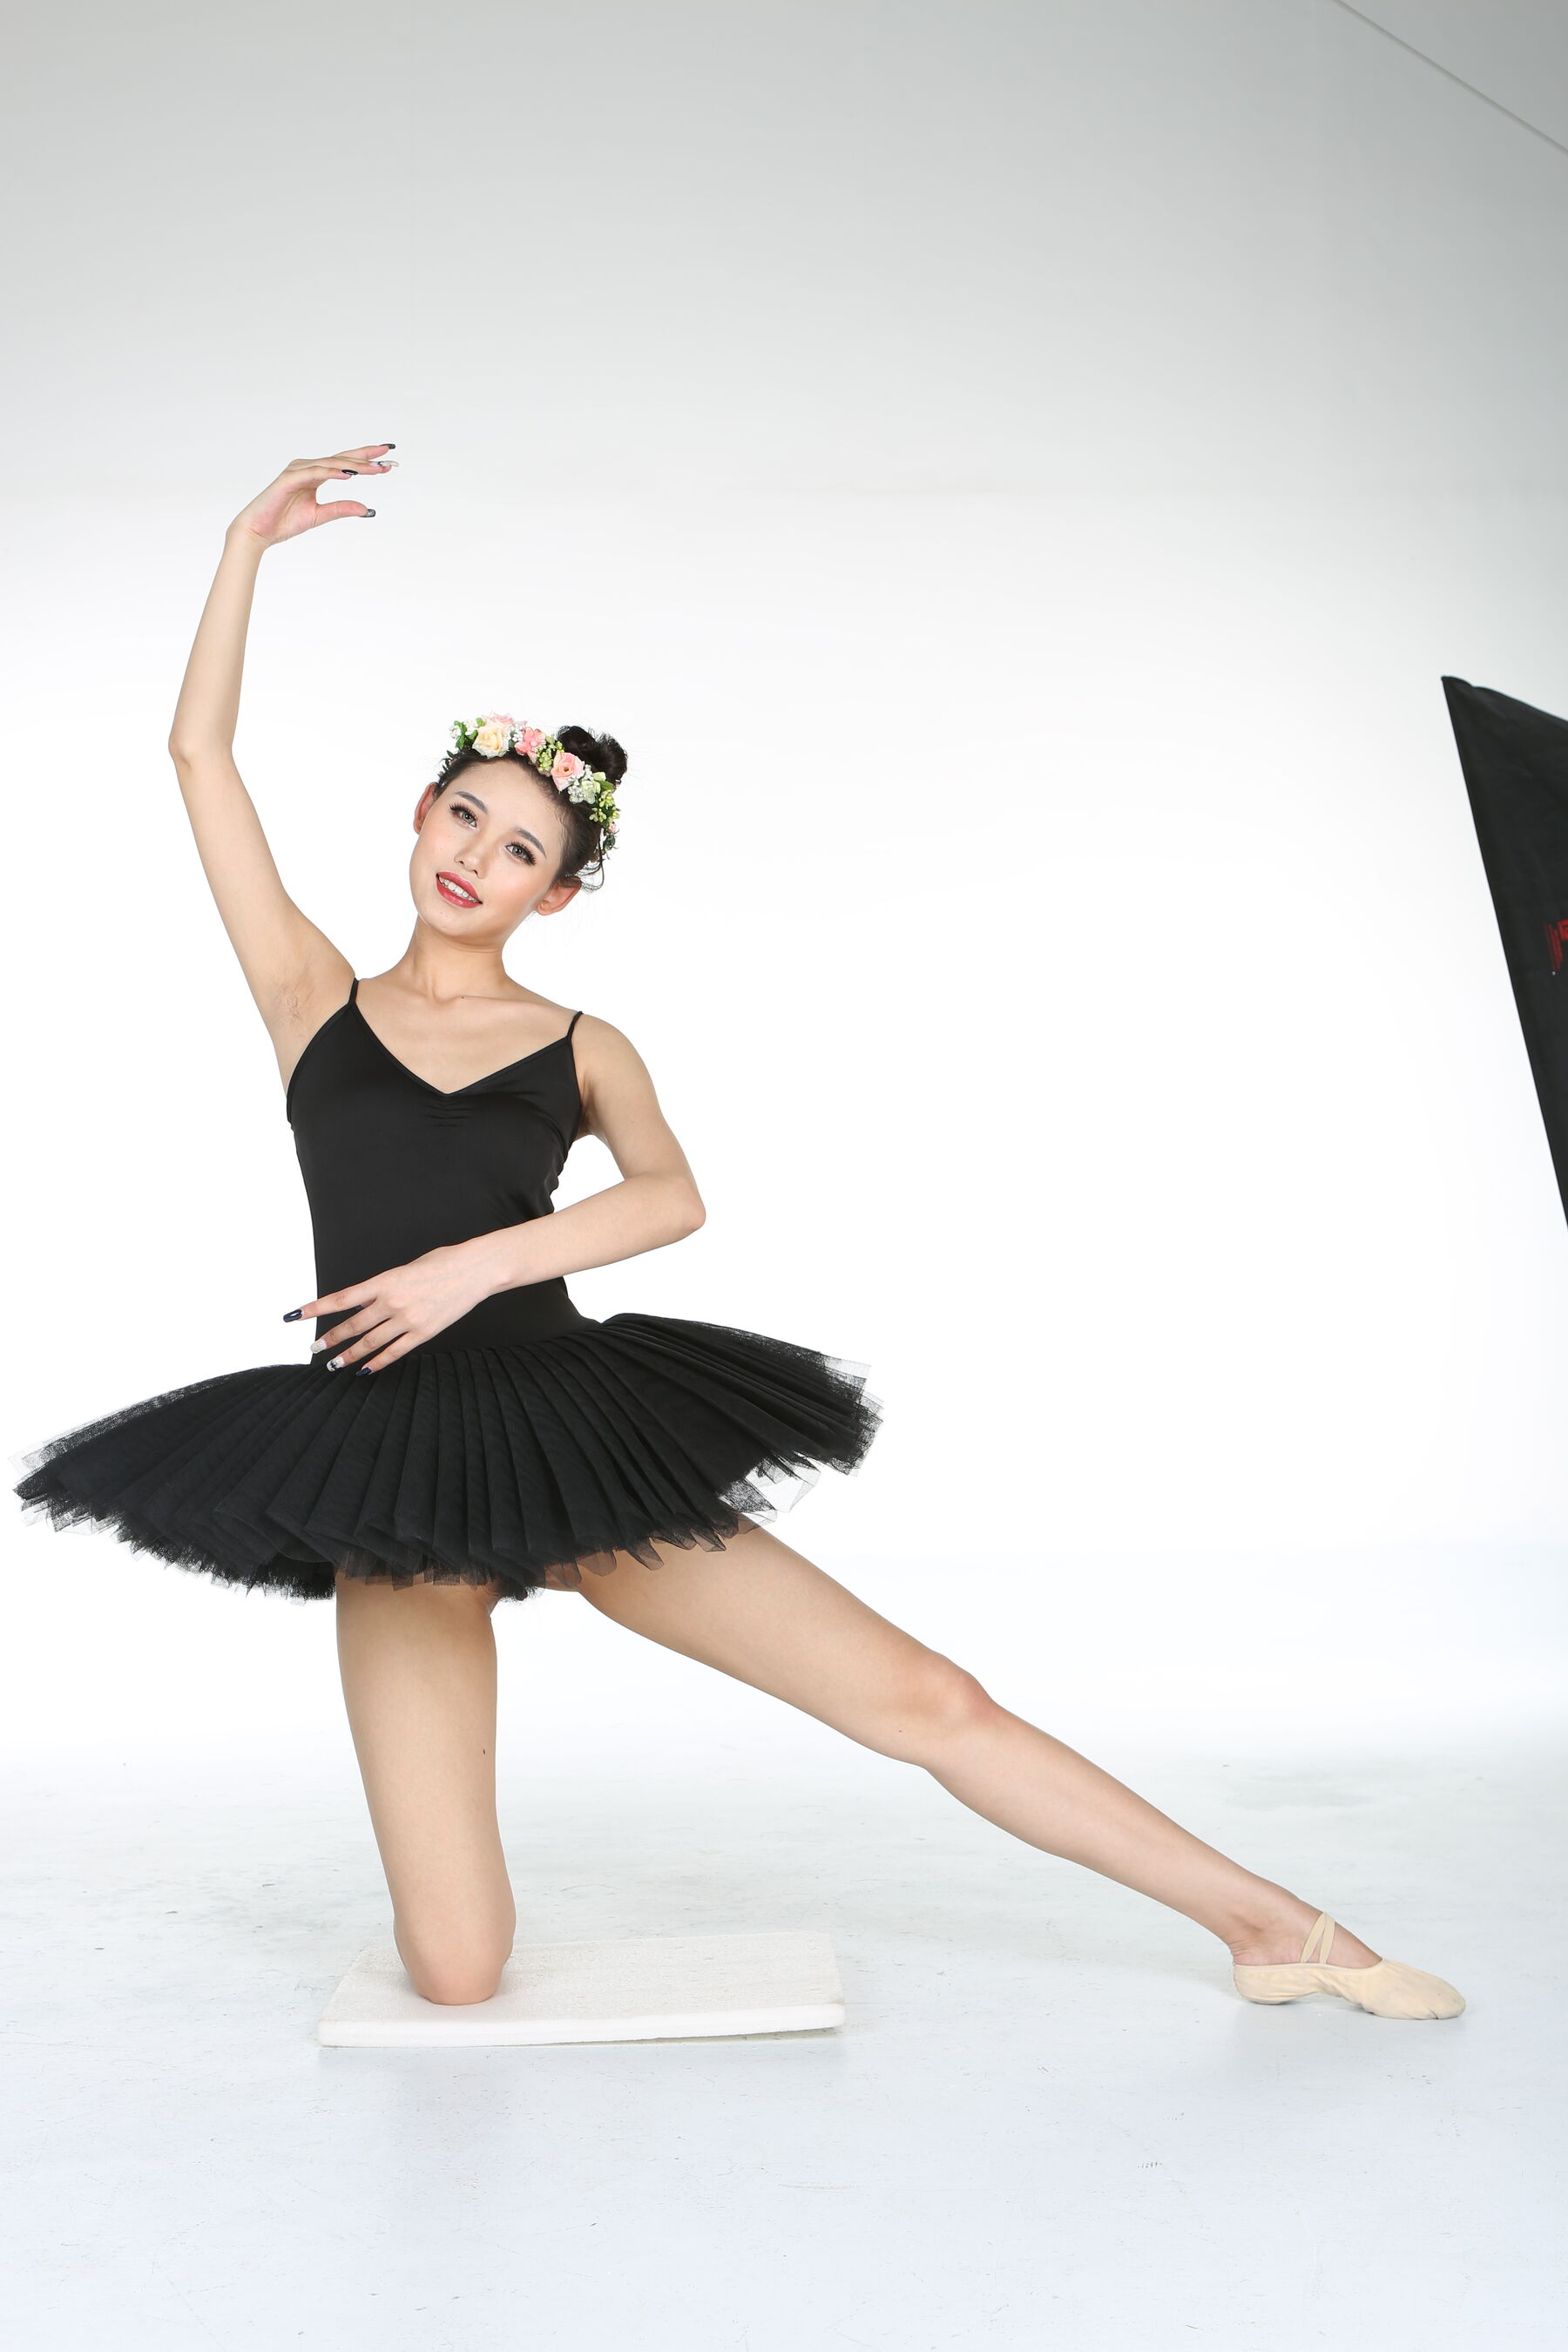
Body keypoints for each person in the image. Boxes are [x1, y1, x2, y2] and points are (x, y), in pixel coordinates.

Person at [14, 443, 1464, 2024]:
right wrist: (245, 543)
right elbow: (198, 755)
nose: (476, 858)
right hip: (389, 1473)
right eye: (466, 817)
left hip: (566, 1433)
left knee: (923, 1697)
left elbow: (670, 1196)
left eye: (521, 851)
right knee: (457, 1971)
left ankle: (1275, 1926)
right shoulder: (313, 1000)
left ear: (557, 896)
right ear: (420, 814)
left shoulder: (581, 1042)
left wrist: (471, 1266)